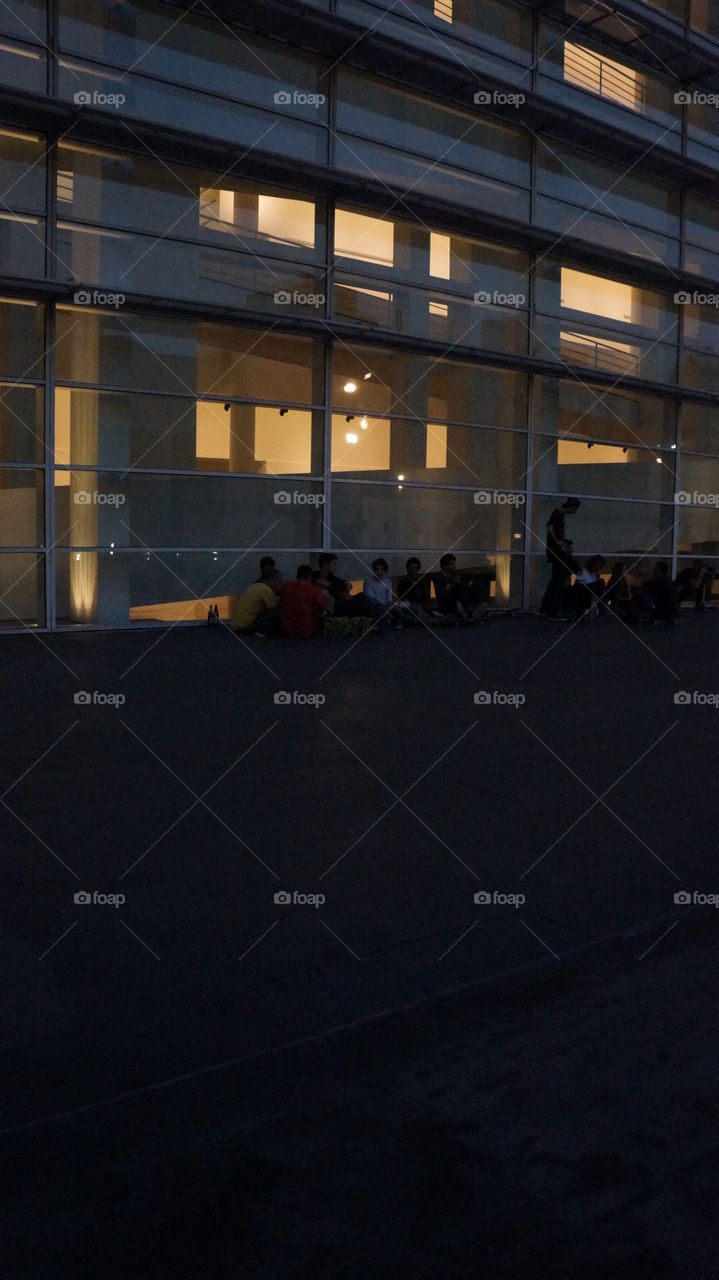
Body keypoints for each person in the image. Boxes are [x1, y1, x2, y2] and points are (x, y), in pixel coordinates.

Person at [540, 497, 581, 619]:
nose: (575, 511)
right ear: (571, 506)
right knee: (558, 581)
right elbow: (550, 528)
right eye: (575, 509)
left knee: (556, 580)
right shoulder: (558, 513)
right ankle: (551, 609)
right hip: (557, 553)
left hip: (557, 552)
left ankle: (546, 608)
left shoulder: (559, 515)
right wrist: (559, 543)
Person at [277, 564, 333, 638]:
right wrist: (330, 598)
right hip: (306, 631)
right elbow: (330, 610)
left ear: (297, 576)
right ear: (310, 577)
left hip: (286, 630)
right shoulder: (314, 590)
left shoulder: (286, 585)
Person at [432, 554, 487, 622]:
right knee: (456, 596)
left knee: (476, 586)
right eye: (451, 564)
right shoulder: (438, 578)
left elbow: (463, 589)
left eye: (454, 564)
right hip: (447, 602)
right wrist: (454, 583)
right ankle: (468, 613)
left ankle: (474, 609)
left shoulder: (454, 575)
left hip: (460, 599)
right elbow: (442, 593)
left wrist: (468, 584)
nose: (454, 566)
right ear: (444, 565)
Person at [232, 567, 282, 635]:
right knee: (276, 614)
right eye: (279, 582)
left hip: (237, 625)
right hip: (247, 625)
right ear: (271, 580)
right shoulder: (266, 589)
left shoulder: (254, 586)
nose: (280, 585)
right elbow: (275, 609)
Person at [362, 558, 402, 627]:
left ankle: (393, 619)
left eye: (381, 569)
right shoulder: (368, 581)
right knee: (378, 610)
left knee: (399, 611)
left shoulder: (388, 581)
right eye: (377, 569)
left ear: (385, 571)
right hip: (375, 607)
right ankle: (391, 618)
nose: (379, 572)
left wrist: (389, 606)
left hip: (385, 606)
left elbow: (389, 599)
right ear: (374, 570)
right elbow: (371, 600)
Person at [396, 557, 432, 625]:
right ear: (407, 568)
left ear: (418, 569)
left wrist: (426, 605)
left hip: (422, 607)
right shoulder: (403, 583)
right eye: (411, 568)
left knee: (429, 608)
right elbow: (404, 601)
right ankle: (431, 621)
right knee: (415, 610)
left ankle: (427, 620)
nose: (413, 570)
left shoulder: (421, 583)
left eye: (415, 568)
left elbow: (425, 599)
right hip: (409, 608)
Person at [571, 555, 607, 620]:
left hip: (591, 595)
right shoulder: (583, 572)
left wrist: (597, 577)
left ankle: (599, 606)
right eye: (596, 565)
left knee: (601, 582)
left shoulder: (594, 575)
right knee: (600, 583)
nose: (597, 568)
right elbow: (577, 586)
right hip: (583, 593)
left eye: (599, 566)